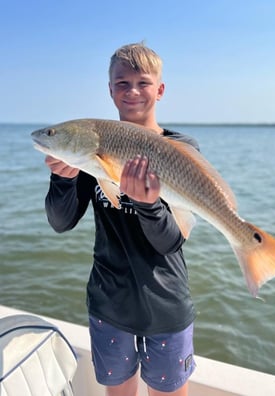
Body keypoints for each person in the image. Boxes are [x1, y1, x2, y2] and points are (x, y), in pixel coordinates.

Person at [45, 43, 200, 396]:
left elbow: (171, 241)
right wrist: (63, 178)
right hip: (108, 304)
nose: (132, 91)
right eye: (121, 83)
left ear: (160, 90)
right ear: (110, 91)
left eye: (143, 83)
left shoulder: (180, 149)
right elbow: (61, 221)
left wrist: (148, 205)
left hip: (166, 305)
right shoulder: (91, 150)